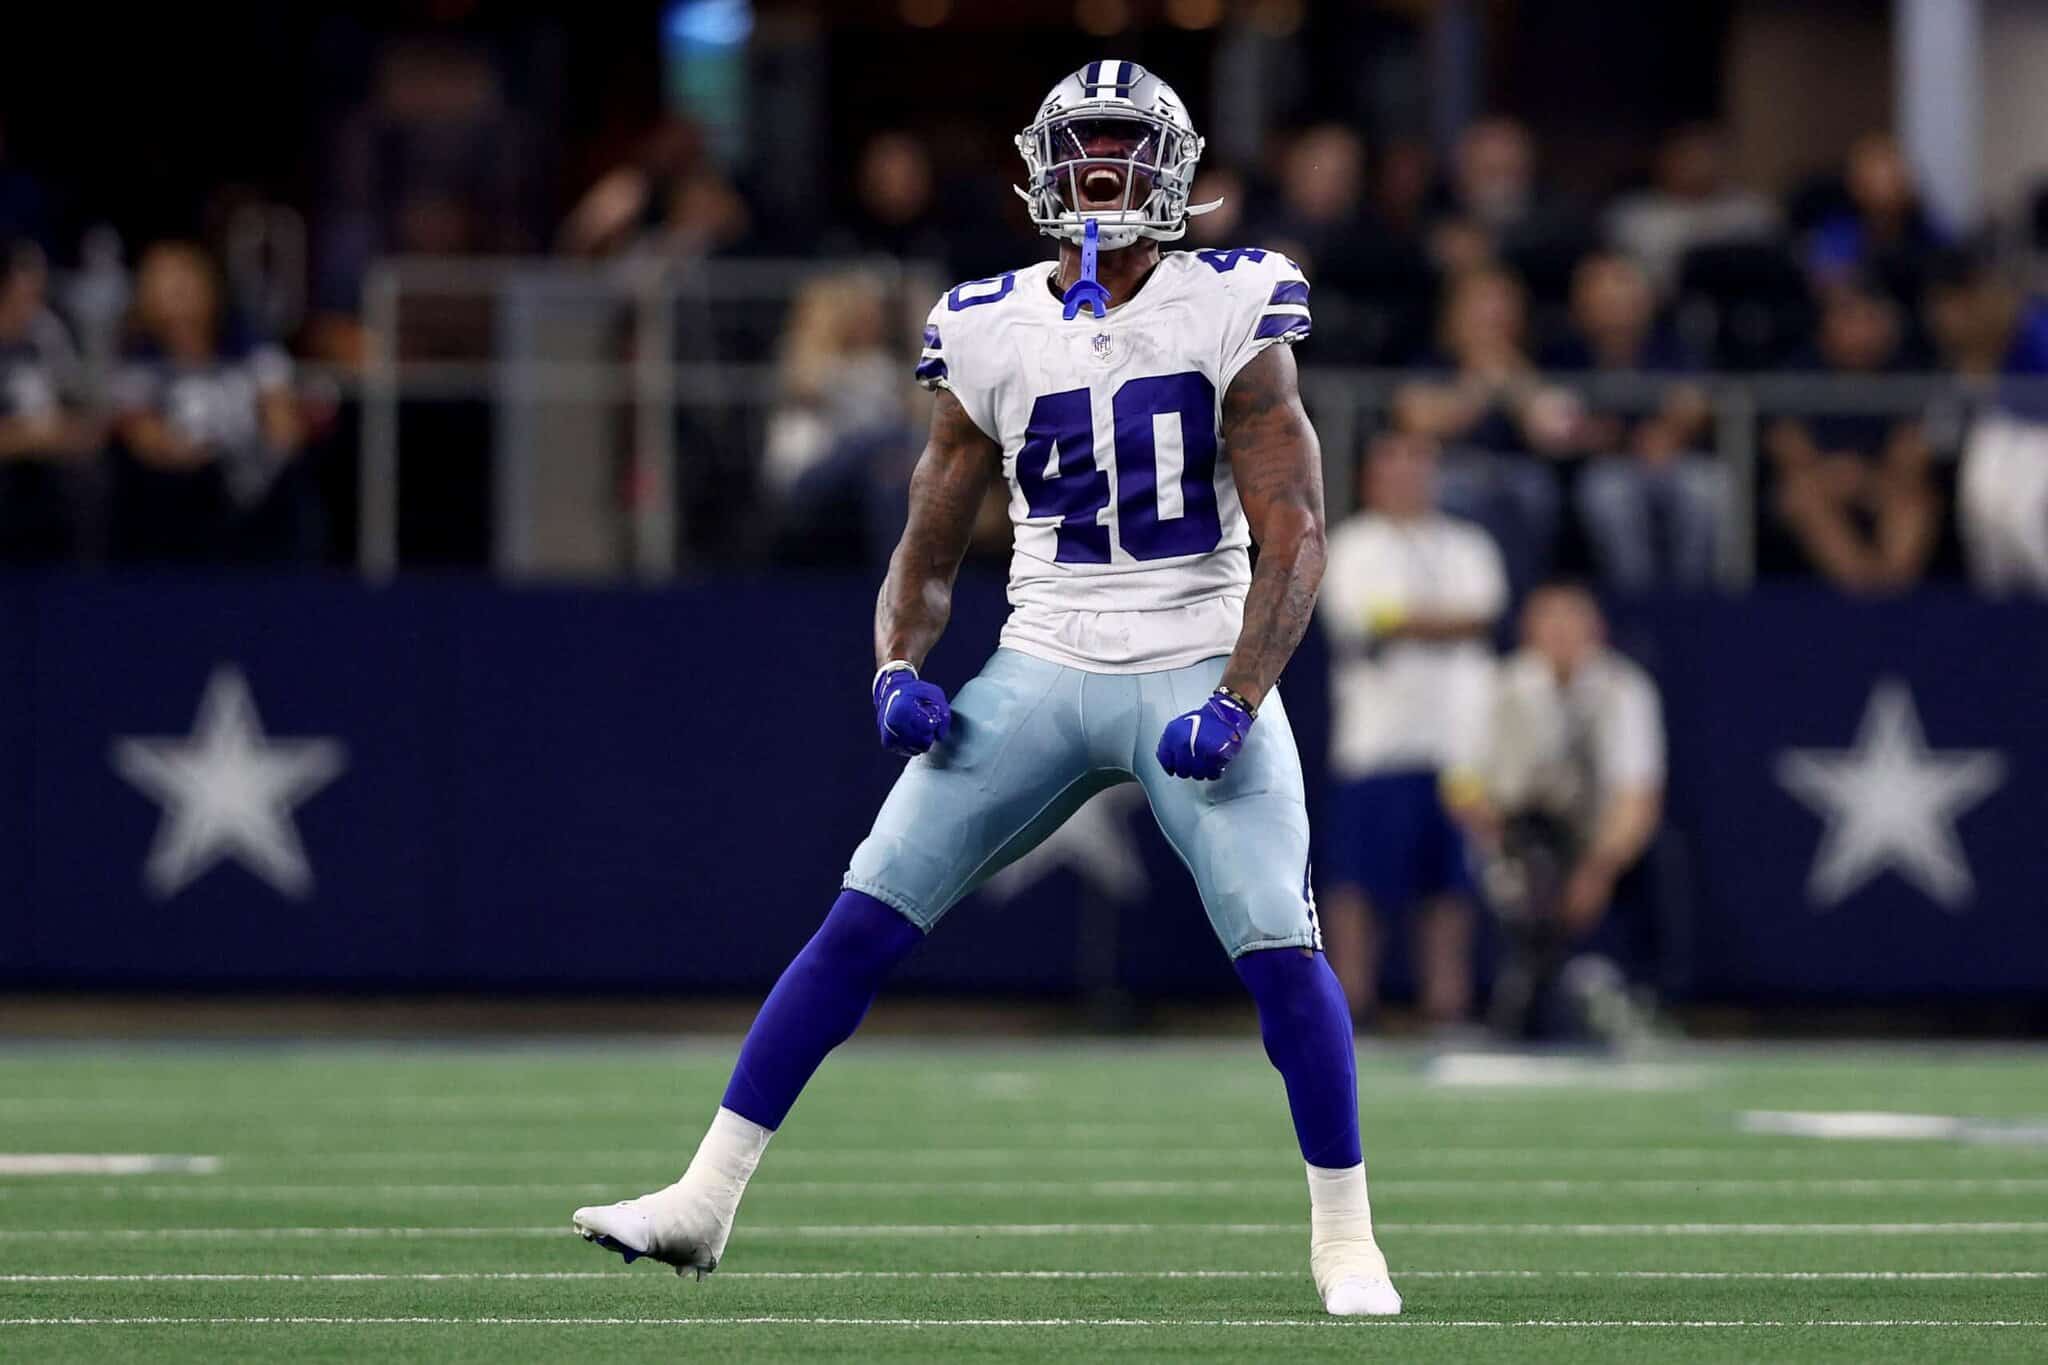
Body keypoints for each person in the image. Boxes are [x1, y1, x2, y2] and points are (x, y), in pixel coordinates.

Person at [573, 61, 1402, 1319]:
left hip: (1191, 647)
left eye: (1126, 146)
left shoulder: (1235, 301)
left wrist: (1238, 694)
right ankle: (703, 1198)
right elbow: (927, 528)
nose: (1102, 172)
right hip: (1046, 658)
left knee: (1280, 948)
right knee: (861, 912)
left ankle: (1346, 1241)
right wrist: (894, 667)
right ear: (1041, 167)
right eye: (1082, 148)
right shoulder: (982, 320)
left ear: (1173, 166)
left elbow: (1294, 530)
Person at [1316, 432, 1506, 1028]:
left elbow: (1485, 612)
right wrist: (1441, 624)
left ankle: (1445, 1004)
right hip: (1378, 746)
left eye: (1418, 469)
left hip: (1458, 745)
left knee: (1449, 889)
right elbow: (1365, 617)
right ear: (1372, 480)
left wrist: (1406, 620)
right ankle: (1352, 1005)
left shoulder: (1468, 545)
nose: (1407, 483)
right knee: (1357, 887)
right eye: (1393, 470)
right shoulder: (1351, 546)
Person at [1471, 582, 1666, 1040]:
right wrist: (1499, 854)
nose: (1561, 633)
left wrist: (1598, 871)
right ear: (1528, 629)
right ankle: (1517, 1000)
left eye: (1572, 620)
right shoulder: (1499, 687)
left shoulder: (1624, 688)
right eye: (1549, 620)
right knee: (1527, 881)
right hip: (1517, 832)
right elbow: (1466, 786)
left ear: (1596, 629)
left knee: (1663, 865)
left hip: (1593, 836)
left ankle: (1650, 994)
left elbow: (1638, 796)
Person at [109, 242, 313, 564]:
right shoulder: (139, 359)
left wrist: (252, 466)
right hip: (177, 495)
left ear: (208, 285)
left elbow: (283, 424)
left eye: (183, 281)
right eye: (161, 282)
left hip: (257, 490)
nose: (175, 294)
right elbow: (141, 433)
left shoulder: (250, 344)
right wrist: (180, 452)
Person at [1545, 251, 1724, 591]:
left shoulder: (1672, 347)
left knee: (1708, 488)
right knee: (1608, 494)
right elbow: (1554, 421)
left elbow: (1696, 401)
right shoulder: (1564, 353)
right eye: (1604, 299)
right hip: (1601, 467)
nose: (1615, 308)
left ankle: (1690, 594)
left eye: (1624, 296)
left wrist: (1671, 432)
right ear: (1581, 305)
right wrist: (1602, 437)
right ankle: (1636, 595)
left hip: (1669, 458)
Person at [1762, 280, 1938, 592]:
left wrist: (1866, 479)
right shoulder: (1798, 374)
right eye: (1848, 318)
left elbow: (1913, 455)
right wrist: (1833, 476)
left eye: (1868, 318)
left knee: (1916, 502)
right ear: (1826, 327)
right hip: (1820, 482)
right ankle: (1862, 594)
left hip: (1882, 483)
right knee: (1802, 496)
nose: (1860, 330)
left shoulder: (1909, 375)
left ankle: (1892, 594)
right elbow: (1787, 448)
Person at [0, 239, 93, 563]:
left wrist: (55, 435)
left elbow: (85, 418)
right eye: (23, 277)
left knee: (85, 475)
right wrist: (24, 437)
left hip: (46, 460)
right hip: (15, 458)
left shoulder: (49, 332)